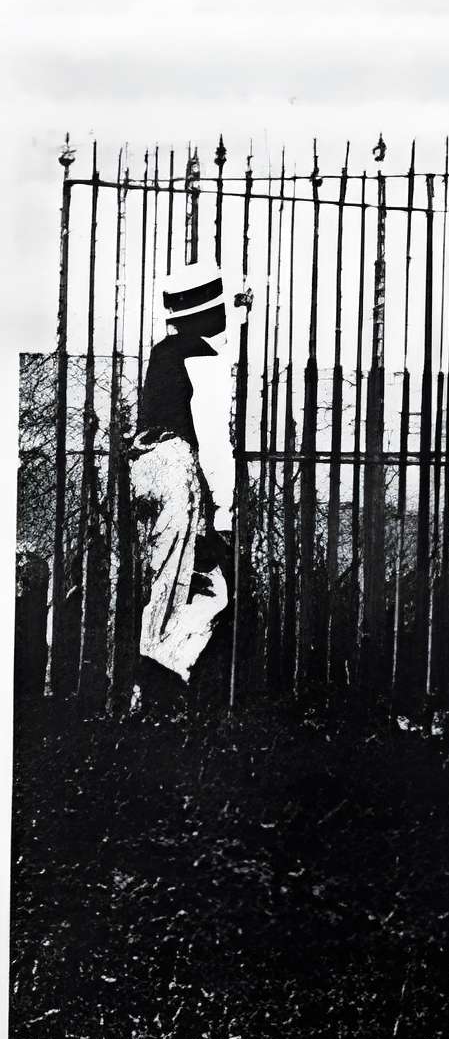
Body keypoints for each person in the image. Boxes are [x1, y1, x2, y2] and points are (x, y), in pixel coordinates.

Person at [131, 260, 242, 712]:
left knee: (169, 577)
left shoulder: (164, 353)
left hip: (144, 463)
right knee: (189, 583)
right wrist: (224, 509)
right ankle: (160, 670)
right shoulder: (203, 358)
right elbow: (213, 436)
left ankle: (156, 675)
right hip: (179, 467)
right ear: (205, 315)